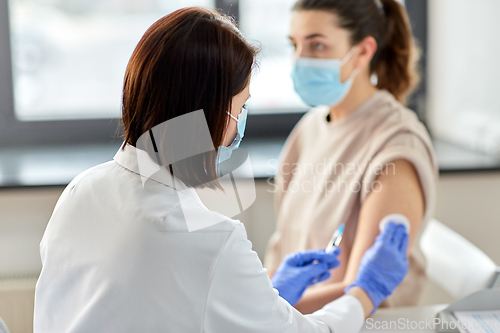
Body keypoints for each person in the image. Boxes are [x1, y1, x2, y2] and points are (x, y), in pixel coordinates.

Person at [34, 7, 409, 332]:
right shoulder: (211, 240)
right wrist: (366, 290)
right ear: (212, 112)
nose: (239, 125)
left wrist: (267, 297)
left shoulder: (81, 191)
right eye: (240, 107)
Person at [265, 0, 439, 314]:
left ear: (362, 51)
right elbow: (283, 252)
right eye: (294, 45)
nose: (299, 60)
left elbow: (364, 292)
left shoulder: (395, 145)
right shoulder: (310, 129)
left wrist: (261, 311)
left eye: (317, 45)